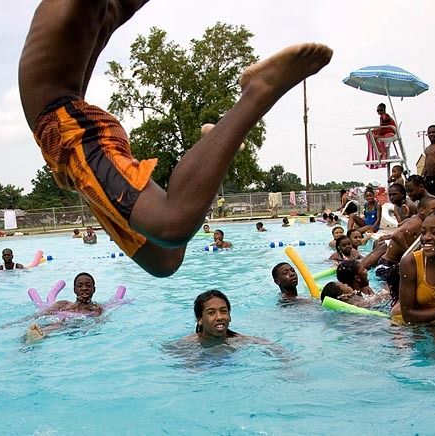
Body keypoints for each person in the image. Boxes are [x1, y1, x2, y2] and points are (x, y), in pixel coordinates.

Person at [18, 0, 333, 278]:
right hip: (66, 130)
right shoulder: (98, 12)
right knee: (164, 259)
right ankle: (216, 146)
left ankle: (258, 91)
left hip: (69, 127)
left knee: (173, 225)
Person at [371, 197, 435, 303]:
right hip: (387, 266)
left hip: (390, 265)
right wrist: (409, 251)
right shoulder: (417, 222)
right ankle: (371, 303)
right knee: (389, 294)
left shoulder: (417, 220)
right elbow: (397, 234)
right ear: (422, 210)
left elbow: (400, 225)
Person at [25, 272, 104, 342]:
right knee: (58, 323)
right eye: (80, 286)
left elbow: (97, 323)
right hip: (54, 323)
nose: (84, 288)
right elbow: (41, 315)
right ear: (74, 290)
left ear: (94, 289)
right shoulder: (63, 304)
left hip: (74, 328)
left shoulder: (97, 309)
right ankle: (36, 335)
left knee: (62, 325)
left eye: (88, 285)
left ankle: (40, 335)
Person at [178, 290, 273, 347]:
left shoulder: (241, 341)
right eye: (211, 313)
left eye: (223, 311)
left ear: (230, 316)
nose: (219, 317)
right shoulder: (187, 345)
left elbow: (273, 347)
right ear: (200, 320)